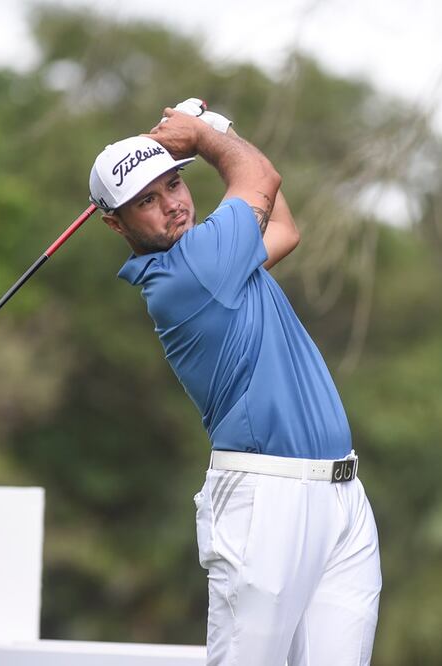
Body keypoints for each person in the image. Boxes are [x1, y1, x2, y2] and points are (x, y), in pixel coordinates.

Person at [88, 100, 381, 666]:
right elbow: (260, 178)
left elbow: (284, 227)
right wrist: (204, 134)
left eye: (174, 183)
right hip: (266, 502)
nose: (173, 205)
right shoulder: (193, 270)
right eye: (147, 201)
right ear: (116, 223)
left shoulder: (223, 257)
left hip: (342, 496)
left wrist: (219, 132)